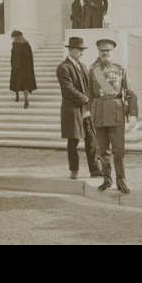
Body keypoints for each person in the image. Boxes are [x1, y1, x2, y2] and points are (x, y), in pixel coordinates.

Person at [88, 39, 138, 194]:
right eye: (102, 51)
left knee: (118, 150)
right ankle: (107, 179)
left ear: (112, 53)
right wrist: (90, 112)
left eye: (107, 51)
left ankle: (121, 180)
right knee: (103, 150)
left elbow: (130, 93)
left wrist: (133, 114)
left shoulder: (120, 69)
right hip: (99, 113)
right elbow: (90, 94)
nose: (105, 53)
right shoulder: (93, 70)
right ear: (98, 53)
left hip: (116, 113)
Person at [56, 37, 103, 180]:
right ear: (70, 50)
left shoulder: (82, 66)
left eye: (82, 50)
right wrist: (86, 99)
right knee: (73, 141)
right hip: (72, 109)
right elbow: (68, 89)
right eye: (79, 50)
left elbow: (88, 84)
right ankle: (74, 170)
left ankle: (94, 169)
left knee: (91, 139)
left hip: (85, 109)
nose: (81, 53)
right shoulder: (63, 67)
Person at [9, 30, 37, 108]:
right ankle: (18, 97)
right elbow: (13, 56)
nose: (15, 39)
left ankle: (26, 101)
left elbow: (29, 58)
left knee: (23, 85)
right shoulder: (21, 44)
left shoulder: (24, 45)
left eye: (15, 37)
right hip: (21, 68)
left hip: (22, 68)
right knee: (22, 84)